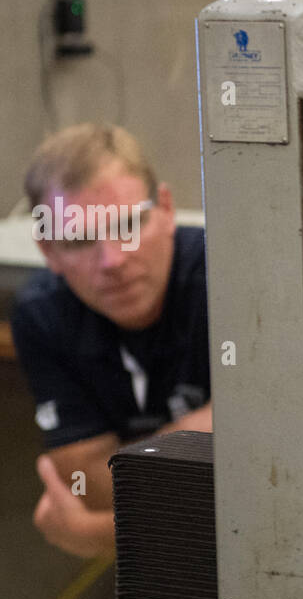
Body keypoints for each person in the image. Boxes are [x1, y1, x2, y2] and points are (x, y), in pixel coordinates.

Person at [11, 124, 211, 560]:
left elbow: (260, 473)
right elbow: (90, 486)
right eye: (80, 239)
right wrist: (197, 437)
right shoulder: (42, 315)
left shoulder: (225, 277)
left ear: (166, 210)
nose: (113, 259)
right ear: (49, 252)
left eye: (128, 224)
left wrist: (104, 535)